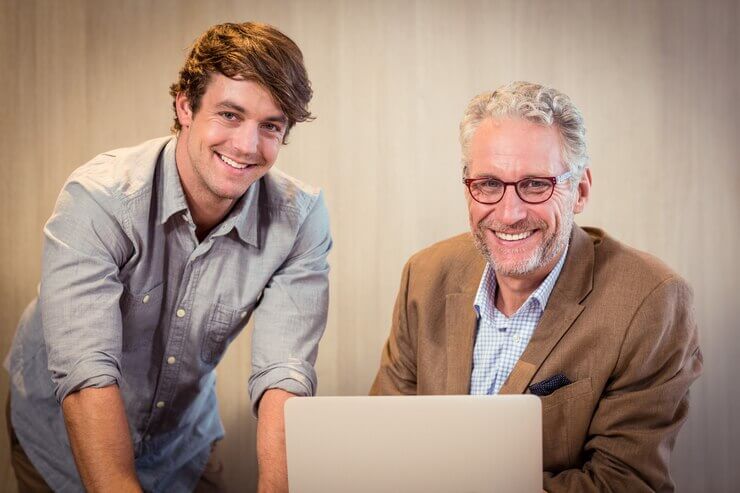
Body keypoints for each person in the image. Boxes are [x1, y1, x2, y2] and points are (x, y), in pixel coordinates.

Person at [5, 22, 330, 492]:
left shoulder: (299, 219)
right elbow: (86, 371)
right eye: (230, 115)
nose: (246, 145)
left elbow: (284, 373)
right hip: (60, 438)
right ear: (184, 106)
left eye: (271, 126)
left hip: (183, 442)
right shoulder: (99, 199)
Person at [370, 81, 702, 491]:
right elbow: (383, 442)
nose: (509, 214)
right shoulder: (424, 275)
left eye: (535, 185)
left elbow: (625, 483)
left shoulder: (651, 301)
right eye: (489, 184)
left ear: (578, 191)